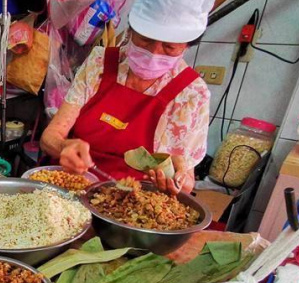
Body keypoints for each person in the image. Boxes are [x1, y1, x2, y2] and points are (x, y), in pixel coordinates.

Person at [41, 0, 213, 195]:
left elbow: (186, 181)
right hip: (72, 188)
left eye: (169, 47)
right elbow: (49, 137)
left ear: (186, 47)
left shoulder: (192, 95)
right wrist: (62, 146)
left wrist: (177, 180)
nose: (153, 53)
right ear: (131, 30)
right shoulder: (99, 62)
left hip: (132, 202)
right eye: (145, 40)